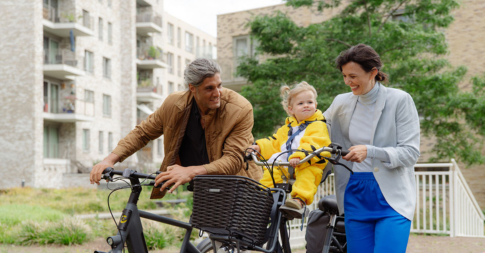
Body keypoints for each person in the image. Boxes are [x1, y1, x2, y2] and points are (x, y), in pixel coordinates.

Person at [323, 44, 420, 253]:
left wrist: (371, 152)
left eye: (353, 76)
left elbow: (411, 152)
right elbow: (316, 132)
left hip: (392, 198)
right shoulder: (341, 103)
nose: (348, 81)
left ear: (373, 72)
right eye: (344, 76)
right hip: (356, 193)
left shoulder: (400, 100)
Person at [90, 58, 262, 193]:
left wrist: (189, 171)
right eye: (209, 88)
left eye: (219, 86)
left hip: (241, 186)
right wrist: (109, 160)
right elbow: (143, 133)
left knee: (241, 238)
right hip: (204, 186)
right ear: (192, 88)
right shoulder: (174, 104)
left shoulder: (239, 109)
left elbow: (233, 161)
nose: (217, 93)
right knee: (212, 235)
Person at [250, 82, 331, 219]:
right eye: (300, 103)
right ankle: (264, 197)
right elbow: (275, 143)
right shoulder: (287, 128)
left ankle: (299, 200)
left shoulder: (318, 125)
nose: (306, 105)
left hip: (308, 162)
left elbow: (315, 142)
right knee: (272, 170)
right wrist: (259, 147)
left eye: (309, 102)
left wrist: (299, 156)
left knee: (308, 175)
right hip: (287, 163)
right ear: (291, 110)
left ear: (315, 105)